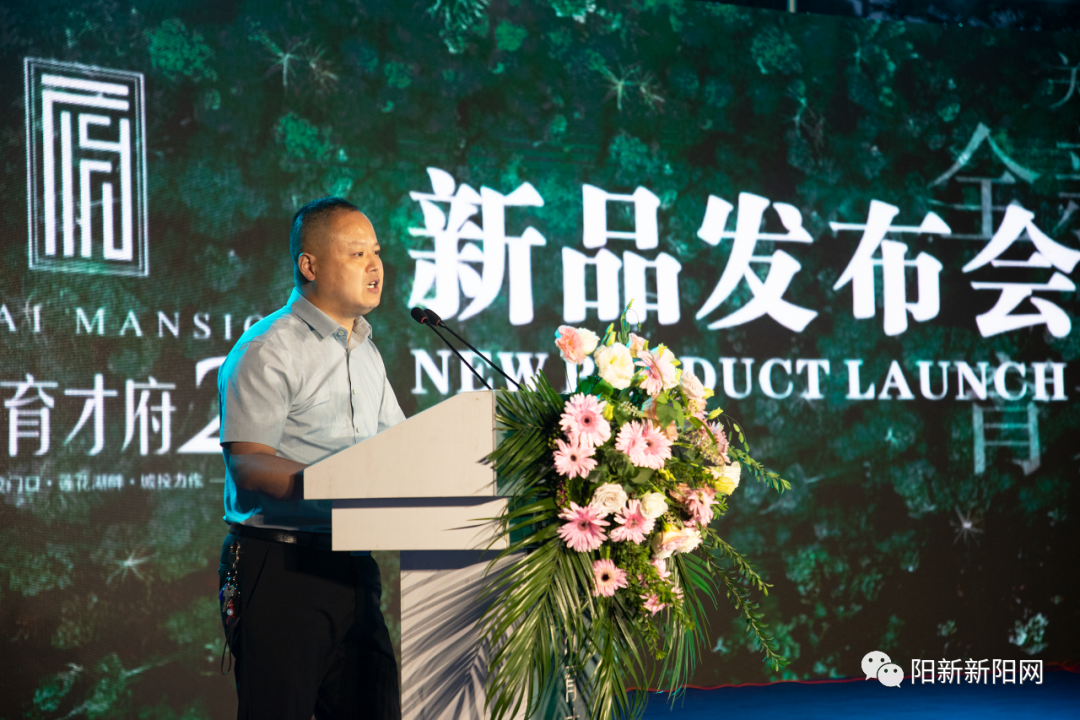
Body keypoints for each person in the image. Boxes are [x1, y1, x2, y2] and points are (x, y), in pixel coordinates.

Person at [216, 196, 405, 720]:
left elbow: (400, 449)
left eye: (376, 252)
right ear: (310, 265)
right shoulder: (268, 348)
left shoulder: (366, 353)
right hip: (282, 567)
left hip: (355, 568)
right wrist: (336, 484)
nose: (375, 265)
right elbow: (248, 465)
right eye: (357, 253)